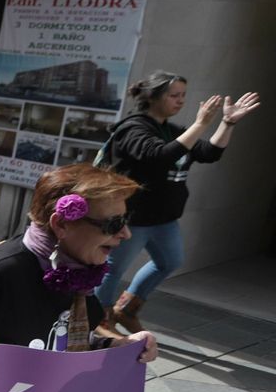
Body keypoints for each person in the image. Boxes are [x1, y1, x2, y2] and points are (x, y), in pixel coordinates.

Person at [0, 163, 159, 361]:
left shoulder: (79, 273)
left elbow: (68, 347)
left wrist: (118, 345)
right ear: (61, 224)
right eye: (113, 224)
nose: (125, 233)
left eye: (126, 220)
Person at [98, 73, 259, 332]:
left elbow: (209, 153)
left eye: (183, 95)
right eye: (174, 95)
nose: (181, 101)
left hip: (164, 219)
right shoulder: (132, 129)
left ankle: (127, 309)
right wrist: (200, 125)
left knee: (169, 262)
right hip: (132, 219)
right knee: (111, 271)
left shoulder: (170, 130)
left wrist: (227, 123)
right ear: (152, 97)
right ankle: (99, 320)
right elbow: (159, 156)